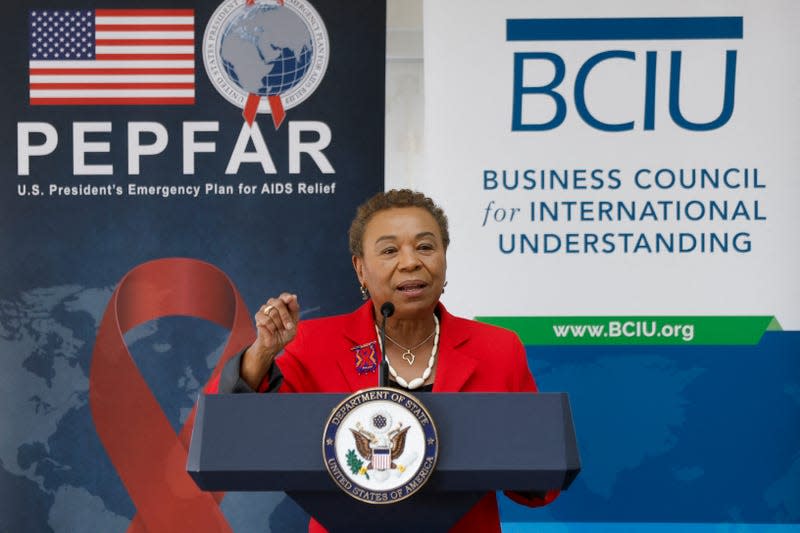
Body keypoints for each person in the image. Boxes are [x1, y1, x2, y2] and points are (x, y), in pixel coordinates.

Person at [207, 189, 558, 532]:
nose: (410, 262)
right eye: (389, 250)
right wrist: (263, 352)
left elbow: (537, 482)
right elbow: (238, 438)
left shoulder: (497, 348)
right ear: (361, 269)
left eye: (425, 247)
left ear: (443, 258)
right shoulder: (315, 345)